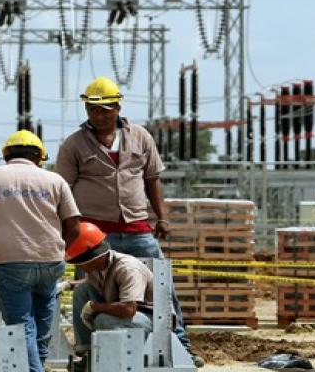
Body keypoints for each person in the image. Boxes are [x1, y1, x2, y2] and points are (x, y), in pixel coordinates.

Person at [55, 76, 204, 367]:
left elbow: (152, 179)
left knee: (162, 286)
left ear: (117, 107)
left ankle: (181, 346)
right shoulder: (74, 145)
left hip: (137, 228)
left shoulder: (140, 137)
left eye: (105, 109)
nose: (98, 115)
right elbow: (62, 190)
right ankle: (87, 349)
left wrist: (162, 217)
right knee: (87, 287)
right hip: (96, 235)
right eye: (92, 109)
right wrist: (67, 230)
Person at [0, 130, 81, 372]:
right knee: (42, 320)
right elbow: (74, 227)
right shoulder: (55, 181)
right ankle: (39, 364)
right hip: (50, 260)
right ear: (39, 157)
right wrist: (59, 249)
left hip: (9, 262)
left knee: (21, 324)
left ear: (6, 155)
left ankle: (34, 370)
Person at [66, 222, 155, 371]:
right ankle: (88, 353)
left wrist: (94, 307)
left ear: (93, 258)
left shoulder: (127, 268)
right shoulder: (99, 266)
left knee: (103, 319)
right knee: (81, 291)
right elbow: (88, 282)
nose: (79, 267)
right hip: (130, 313)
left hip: (149, 319)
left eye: (80, 263)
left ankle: (111, 363)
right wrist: (68, 284)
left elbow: (128, 309)